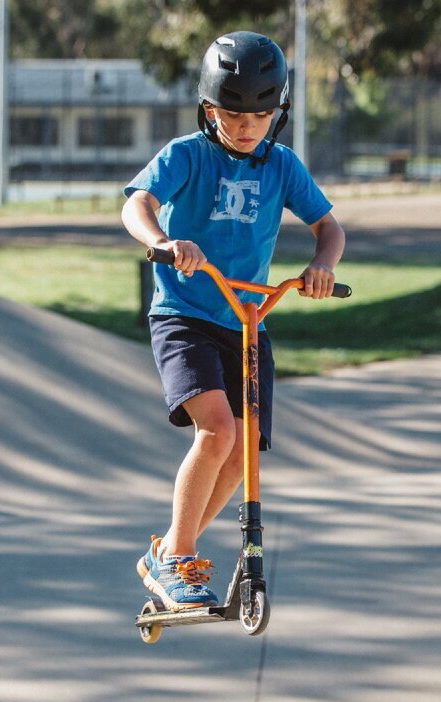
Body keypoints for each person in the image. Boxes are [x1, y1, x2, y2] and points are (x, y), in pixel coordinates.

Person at [121, 31, 345, 610]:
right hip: (184, 315)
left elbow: (329, 227)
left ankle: (170, 550)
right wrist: (164, 242)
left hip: (247, 320)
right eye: (233, 113)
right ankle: (177, 559)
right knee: (218, 430)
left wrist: (321, 266)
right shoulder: (186, 156)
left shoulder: (282, 165)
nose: (247, 126)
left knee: (243, 448)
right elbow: (136, 203)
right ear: (208, 108)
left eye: (261, 114)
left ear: (279, 113)